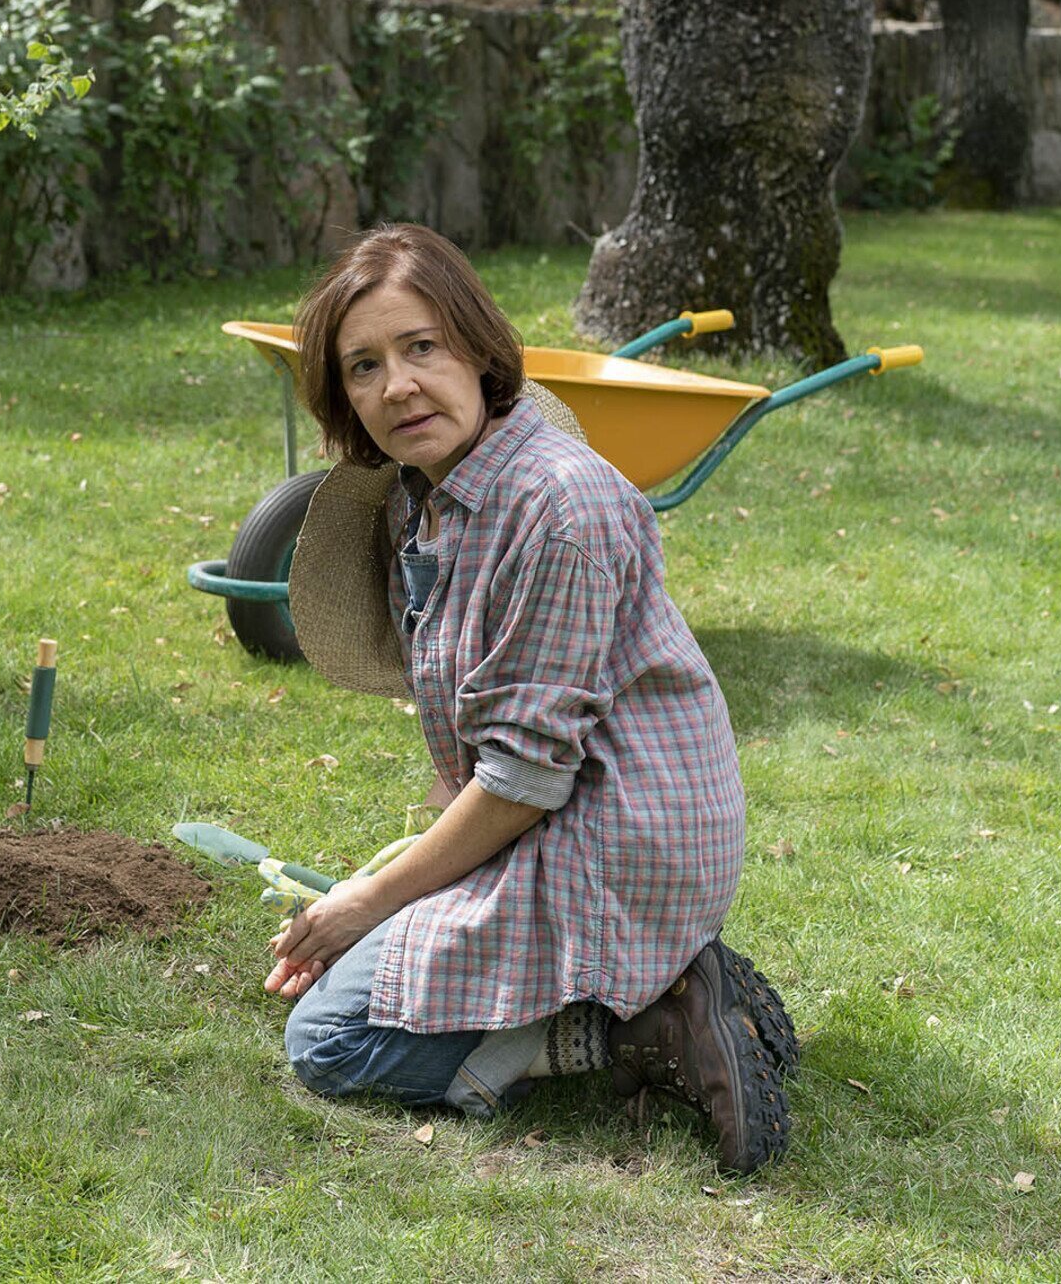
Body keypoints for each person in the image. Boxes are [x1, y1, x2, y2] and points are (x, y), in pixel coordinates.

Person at [264, 223, 797, 1174]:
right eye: (362, 366)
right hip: (569, 816)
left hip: (619, 841)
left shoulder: (559, 506)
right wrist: (398, 882)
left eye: (420, 347)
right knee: (371, 956)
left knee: (329, 1044)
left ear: (475, 347)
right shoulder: (424, 498)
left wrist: (365, 905)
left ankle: (635, 1025)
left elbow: (520, 781)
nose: (397, 386)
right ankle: (647, 988)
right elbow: (491, 737)